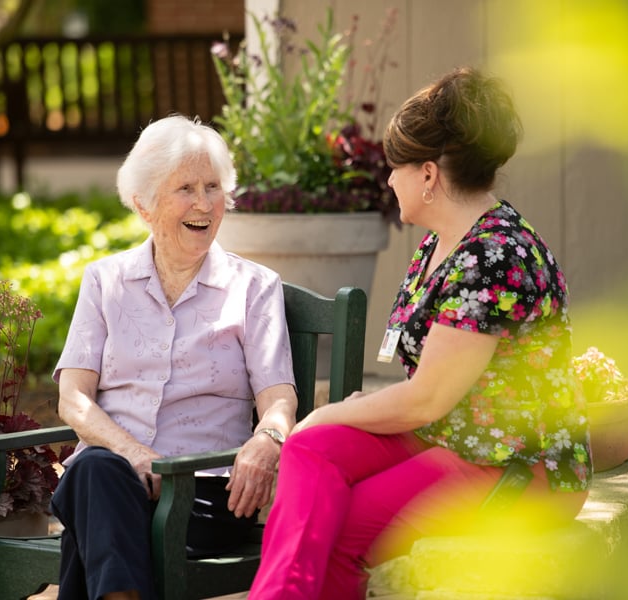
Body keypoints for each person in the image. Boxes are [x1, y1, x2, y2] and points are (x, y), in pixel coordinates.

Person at [248, 67, 592, 599]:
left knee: (338, 527)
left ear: (428, 174)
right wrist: (325, 424)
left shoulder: (494, 256)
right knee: (312, 448)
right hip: (453, 436)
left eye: (396, 168)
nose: (389, 180)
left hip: (515, 465)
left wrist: (326, 410)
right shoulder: (441, 243)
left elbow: (426, 398)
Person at [51, 114, 298, 600]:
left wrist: (268, 440)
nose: (204, 204)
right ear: (144, 205)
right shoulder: (105, 281)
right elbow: (72, 400)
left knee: (93, 508)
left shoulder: (254, 288)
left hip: (200, 494)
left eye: (213, 186)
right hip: (112, 479)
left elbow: (279, 399)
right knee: (97, 472)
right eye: (186, 187)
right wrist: (137, 455)